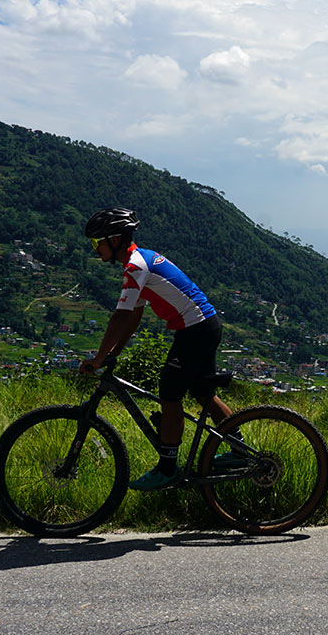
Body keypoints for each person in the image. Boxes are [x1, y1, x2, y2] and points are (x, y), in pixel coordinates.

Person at [78, 207, 237, 491]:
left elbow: (121, 316)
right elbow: (134, 316)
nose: (94, 249)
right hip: (204, 325)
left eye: (96, 243)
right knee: (202, 392)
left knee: (169, 392)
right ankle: (238, 451)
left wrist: (99, 357)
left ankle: (167, 468)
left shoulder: (136, 266)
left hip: (195, 329)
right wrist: (114, 352)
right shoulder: (141, 261)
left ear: (114, 240)